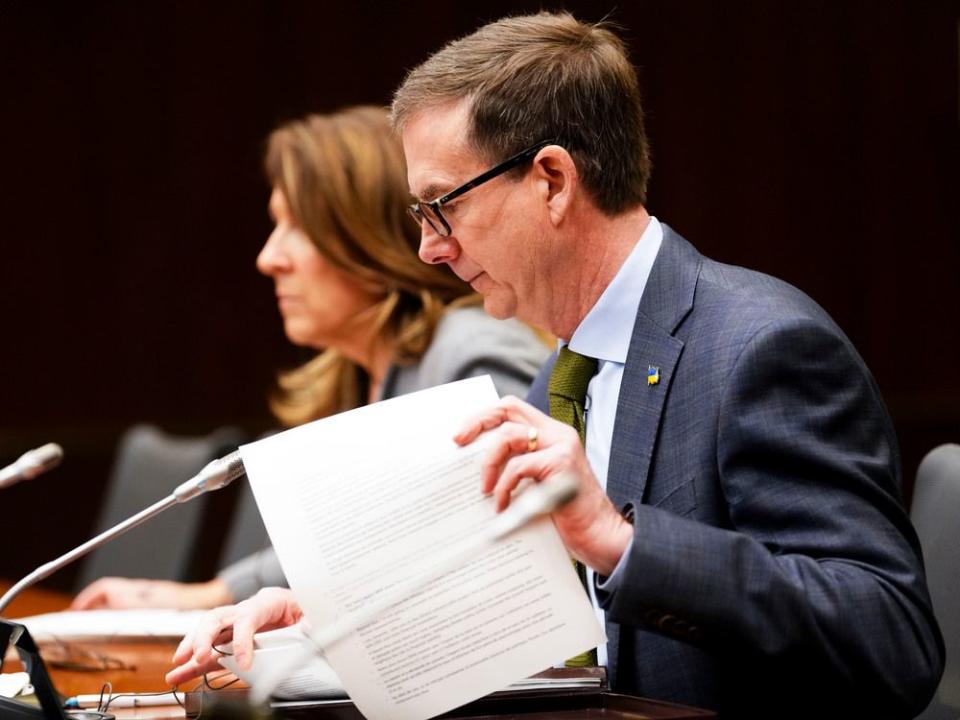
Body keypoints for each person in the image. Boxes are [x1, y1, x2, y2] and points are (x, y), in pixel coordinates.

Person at [165, 14, 944, 718]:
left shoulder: (758, 347)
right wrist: (323, 620)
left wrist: (620, 541)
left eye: (444, 206)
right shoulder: (562, 377)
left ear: (552, 181)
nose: (431, 247)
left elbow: (890, 640)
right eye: (419, 214)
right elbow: (512, 612)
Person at [71, 105, 548, 613]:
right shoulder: (359, 375)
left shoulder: (471, 352)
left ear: (367, 236)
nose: (268, 258)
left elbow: (513, 556)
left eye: (295, 227)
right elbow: (352, 544)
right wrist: (207, 597)